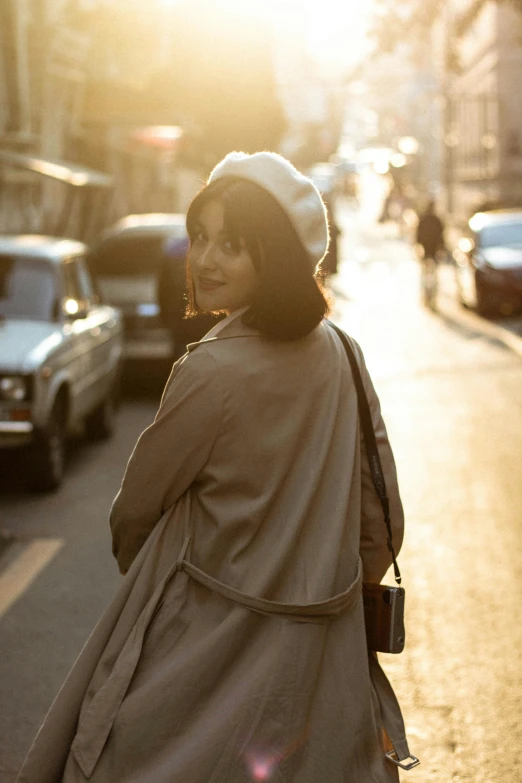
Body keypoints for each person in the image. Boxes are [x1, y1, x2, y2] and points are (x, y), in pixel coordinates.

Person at [17, 152, 413, 783]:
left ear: (276, 255)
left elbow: (135, 512)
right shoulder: (343, 352)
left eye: (232, 244)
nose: (204, 259)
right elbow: (381, 511)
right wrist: (328, 591)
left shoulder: (210, 368)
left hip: (206, 644)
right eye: (200, 237)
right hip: (324, 648)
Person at [416, 200, 445, 307]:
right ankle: (430, 298)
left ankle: (429, 297)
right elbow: (442, 237)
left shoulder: (425, 220)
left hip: (428, 252)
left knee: (428, 275)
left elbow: (418, 237)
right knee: (430, 275)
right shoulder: (436, 220)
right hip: (431, 252)